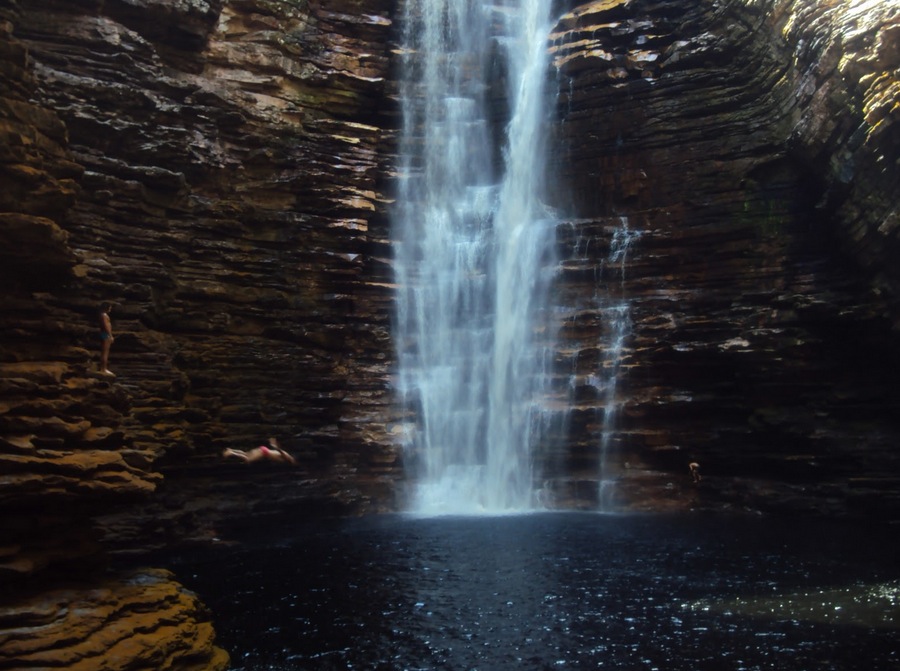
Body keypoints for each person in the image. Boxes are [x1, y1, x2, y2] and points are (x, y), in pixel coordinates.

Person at [223, 437, 297, 465]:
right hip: (264, 452)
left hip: (264, 450)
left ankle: (231, 450)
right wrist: (275, 446)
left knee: (246, 454)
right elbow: (281, 452)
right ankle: (231, 453)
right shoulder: (288, 458)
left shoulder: (286, 461)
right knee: (247, 460)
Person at [98, 302, 115, 376]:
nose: (110, 309)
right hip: (105, 334)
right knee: (105, 351)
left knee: (105, 351)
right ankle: (103, 369)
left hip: (104, 333)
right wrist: (110, 335)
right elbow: (106, 325)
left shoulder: (102, 315)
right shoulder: (104, 315)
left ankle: (103, 368)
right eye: (110, 307)